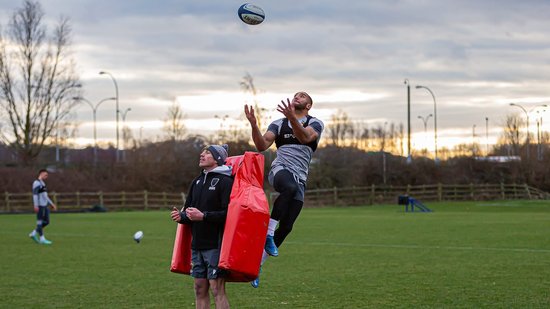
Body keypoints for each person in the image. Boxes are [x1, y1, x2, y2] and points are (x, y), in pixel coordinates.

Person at [244, 91, 324, 288]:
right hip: (281, 170)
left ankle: (257, 266)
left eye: (302, 96)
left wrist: (292, 118)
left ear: (308, 106)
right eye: (296, 95)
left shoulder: (315, 123)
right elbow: (262, 145)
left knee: (287, 226)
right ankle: (268, 234)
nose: (298, 97)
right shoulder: (279, 124)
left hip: (300, 178)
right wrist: (254, 125)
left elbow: (306, 138)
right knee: (287, 188)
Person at [171, 144, 234, 309]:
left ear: (217, 159)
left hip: (216, 245)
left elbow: (229, 214)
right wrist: (182, 217)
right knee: (199, 288)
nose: (202, 155)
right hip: (197, 244)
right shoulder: (197, 181)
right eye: (203, 152)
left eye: (207, 153)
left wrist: (203, 216)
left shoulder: (225, 181)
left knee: (217, 289)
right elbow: (190, 211)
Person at [29, 169, 57, 245]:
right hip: (40, 205)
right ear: (41, 174)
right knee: (40, 222)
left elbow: (45, 196)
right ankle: (42, 239)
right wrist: (36, 205)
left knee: (47, 222)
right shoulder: (36, 183)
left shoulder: (42, 183)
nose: (47, 176)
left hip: (45, 205)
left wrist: (51, 203)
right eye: (45, 175)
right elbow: (35, 195)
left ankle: (33, 233)